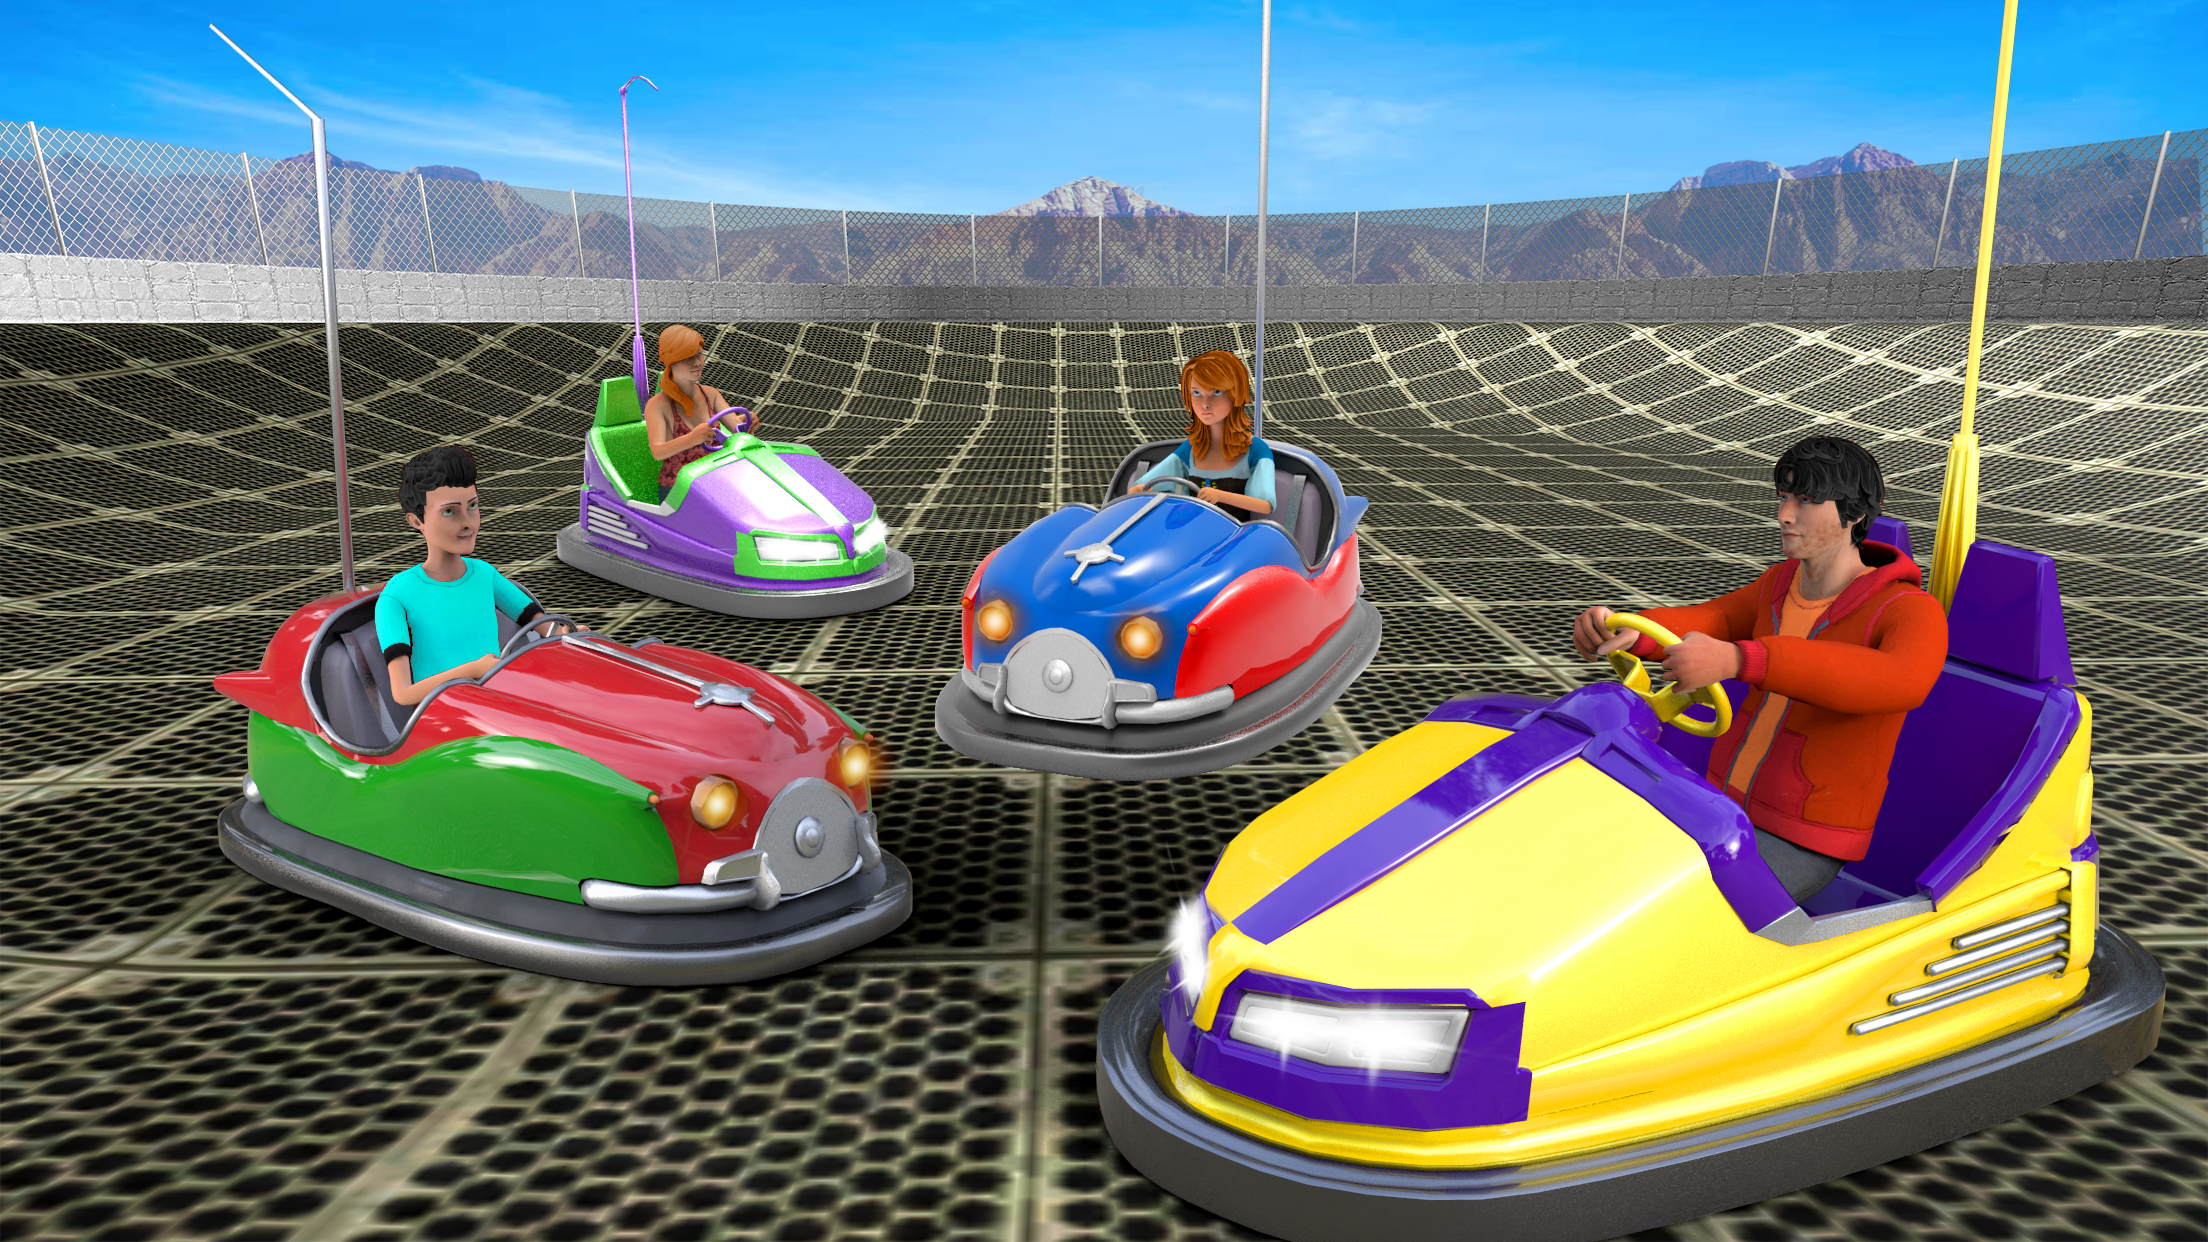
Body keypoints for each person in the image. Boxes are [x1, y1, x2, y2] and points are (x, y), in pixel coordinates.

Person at [1569, 436, 1947, 905]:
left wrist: (1741, 660)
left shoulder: (1910, 610)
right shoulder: (1780, 583)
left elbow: (1898, 680)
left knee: (1679, 910)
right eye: (1783, 498)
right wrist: (1636, 630)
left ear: (1852, 513)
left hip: (1804, 834)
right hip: (1721, 806)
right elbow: (1718, 618)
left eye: (1805, 501)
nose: (1785, 515)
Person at [378, 445, 578, 706]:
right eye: (449, 511)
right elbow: (403, 694)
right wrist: (472, 670)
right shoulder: (397, 597)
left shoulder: (485, 574)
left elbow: (542, 625)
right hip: (446, 716)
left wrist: (567, 635)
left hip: (498, 699)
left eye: (472, 506)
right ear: (417, 521)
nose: (467, 522)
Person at [1129, 350, 1276, 521]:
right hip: (1190, 527)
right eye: (1197, 393)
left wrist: (1220, 496)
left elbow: (1266, 504)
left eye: (1217, 392)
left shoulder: (1256, 449)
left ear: (1236, 394)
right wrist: (1139, 489)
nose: (1205, 404)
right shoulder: (1191, 447)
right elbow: (1148, 483)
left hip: (1235, 532)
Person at [645, 324, 755, 504]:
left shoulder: (711, 394)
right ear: (671, 361)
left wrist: (748, 427)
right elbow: (657, 452)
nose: (697, 362)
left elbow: (738, 433)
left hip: (716, 479)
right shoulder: (657, 405)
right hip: (679, 489)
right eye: (688, 357)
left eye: (699, 354)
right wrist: (691, 439)